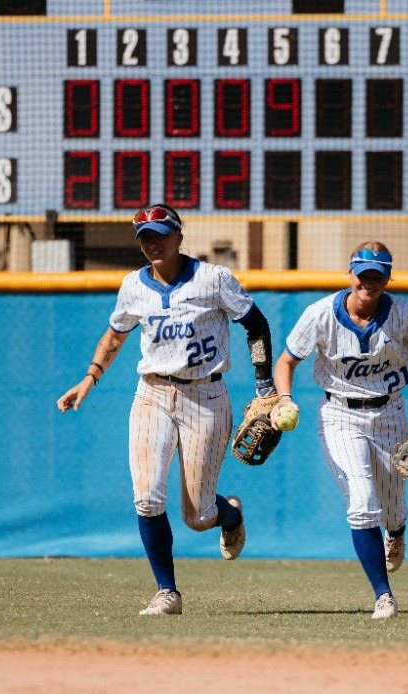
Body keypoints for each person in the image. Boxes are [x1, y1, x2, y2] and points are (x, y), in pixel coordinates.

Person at [57, 203, 276, 616]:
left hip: (205, 398)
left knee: (198, 516)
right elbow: (115, 333)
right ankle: (167, 593)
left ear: (179, 236)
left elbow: (257, 324)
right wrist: (89, 378)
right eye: (145, 237)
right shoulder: (133, 286)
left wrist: (265, 384)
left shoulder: (214, 279)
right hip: (152, 395)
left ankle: (229, 515)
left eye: (160, 234)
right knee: (147, 498)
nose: (152, 243)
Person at [271, 243, 408, 619]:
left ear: (387, 278)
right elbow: (286, 361)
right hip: (339, 414)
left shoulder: (404, 314)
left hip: (390, 411)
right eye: (363, 273)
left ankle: (397, 530)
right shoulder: (320, 314)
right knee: (361, 503)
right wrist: (284, 399)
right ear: (350, 273)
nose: (369, 281)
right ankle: (383, 596)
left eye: (378, 274)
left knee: (391, 509)